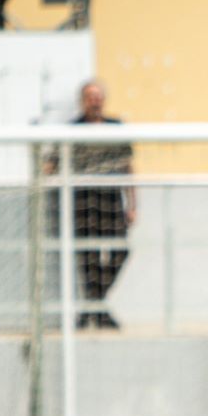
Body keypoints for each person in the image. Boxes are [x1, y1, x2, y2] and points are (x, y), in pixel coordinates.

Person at [54, 80, 136, 329]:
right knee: (87, 255)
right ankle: (98, 311)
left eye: (98, 96)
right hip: (83, 199)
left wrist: (133, 203)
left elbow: (128, 167)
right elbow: (54, 162)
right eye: (90, 97)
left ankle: (92, 306)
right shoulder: (73, 130)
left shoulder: (116, 128)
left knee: (120, 250)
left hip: (111, 197)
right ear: (82, 101)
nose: (95, 101)